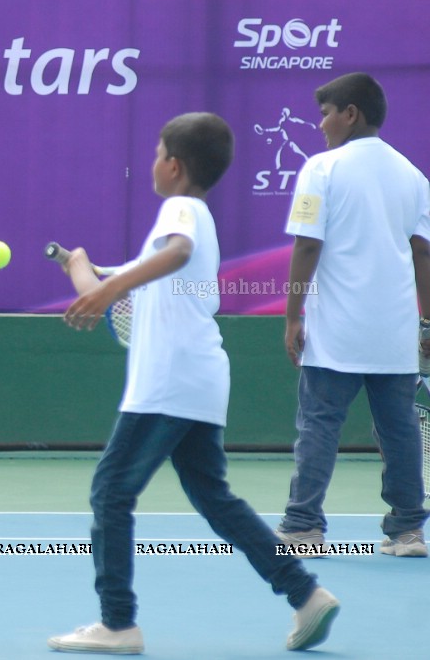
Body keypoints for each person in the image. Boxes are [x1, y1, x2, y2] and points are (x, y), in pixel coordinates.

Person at [47, 113, 338, 654]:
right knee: (215, 498)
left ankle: (117, 624)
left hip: (168, 383)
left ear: (174, 166)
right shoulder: (175, 231)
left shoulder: (180, 212)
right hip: (199, 383)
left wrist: (107, 291)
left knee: (110, 492)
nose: (153, 160)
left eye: (157, 152)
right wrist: (81, 269)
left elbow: (171, 256)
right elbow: (119, 288)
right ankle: (305, 592)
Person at [276, 72, 430, 557]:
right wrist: (427, 321)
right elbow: (423, 253)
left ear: (351, 114)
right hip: (394, 334)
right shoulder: (413, 175)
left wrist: (292, 316)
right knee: (400, 429)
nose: (320, 124)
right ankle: (408, 532)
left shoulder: (321, 169)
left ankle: (303, 527)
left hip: (336, 333)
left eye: (326, 113)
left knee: (318, 426)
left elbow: (306, 244)